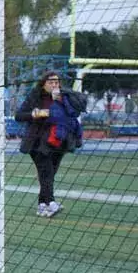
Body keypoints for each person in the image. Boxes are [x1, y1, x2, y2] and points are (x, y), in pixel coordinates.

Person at [15, 70, 86, 217]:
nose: (54, 84)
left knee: (49, 174)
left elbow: (77, 109)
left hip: (58, 142)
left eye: (56, 82)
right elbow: (19, 115)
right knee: (46, 172)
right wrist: (34, 114)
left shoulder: (64, 96)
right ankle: (51, 202)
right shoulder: (35, 96)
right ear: (43, 84)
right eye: (51, 82)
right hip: (37, 142)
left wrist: (63, 101)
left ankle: (42, 205)